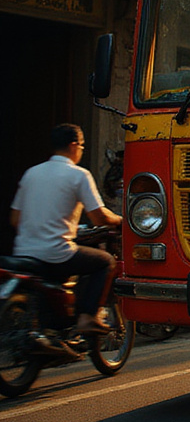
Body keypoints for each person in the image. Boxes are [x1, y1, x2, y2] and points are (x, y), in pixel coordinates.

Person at [8, 123, 121, 335]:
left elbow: (15, 219)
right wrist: (120, 221)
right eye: (82, 146)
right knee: (105, 261)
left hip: (24, 252)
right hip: (55, 255)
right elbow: (99, 217)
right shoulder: (78, 175)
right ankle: (87, 316)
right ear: (73, 145)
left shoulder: (31, 173)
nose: (81, 150)